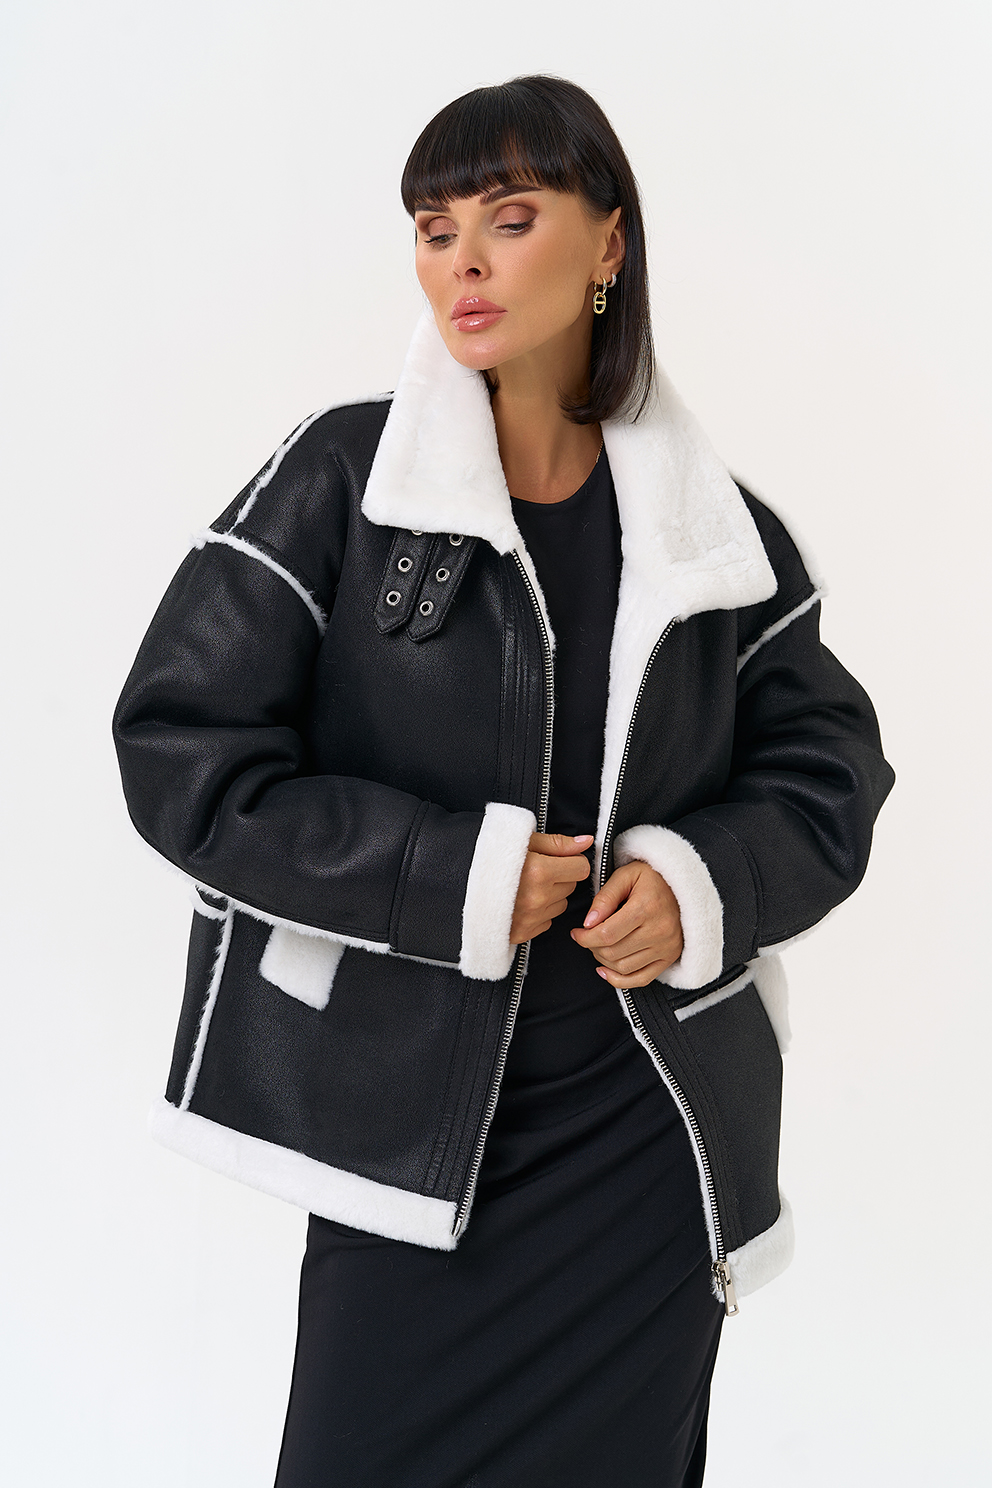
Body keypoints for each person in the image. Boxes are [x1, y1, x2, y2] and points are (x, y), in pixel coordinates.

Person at [114, 75, 894, 1488]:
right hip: (405, 1147)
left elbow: (832, 772)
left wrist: (702, 886)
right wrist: (442, 875)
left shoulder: (718, 536)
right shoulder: (344, 483)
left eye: (509, 218)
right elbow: (180, 752)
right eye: (435, 228)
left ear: (609, 243)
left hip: (643, 1147)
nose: (462, 261)